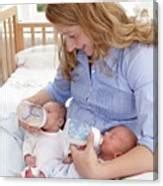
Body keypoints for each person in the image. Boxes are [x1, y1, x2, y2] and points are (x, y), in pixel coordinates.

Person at [19, 2, 156, 179]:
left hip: (109, 158)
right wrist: (28, 105)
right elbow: (57, 91)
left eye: (72, 35)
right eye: (64, 36)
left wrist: (98, 171)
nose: (69, 46)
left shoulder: (140, 57)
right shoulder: (77, 53)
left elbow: (154, 143)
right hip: (66, 145)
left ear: (94, 20)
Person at [24, 125, 137, 178]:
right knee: (52, 164)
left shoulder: (110, 169)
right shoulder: (96, 149)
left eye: (112, 137)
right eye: (109, 132)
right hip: (65, 170)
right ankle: (39, 176)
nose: (106, 134)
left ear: (117, 155)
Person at [20, 101, 66, 177]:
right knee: (24, 174)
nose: (43, 114)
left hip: (53, 172)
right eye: (42, 111)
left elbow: (67, 150)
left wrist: (68, 157)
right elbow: (28, 143)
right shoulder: (37, 132)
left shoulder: (62, 137)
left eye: (48, 112)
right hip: (34, 168)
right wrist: (27, 155)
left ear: (60, 122)